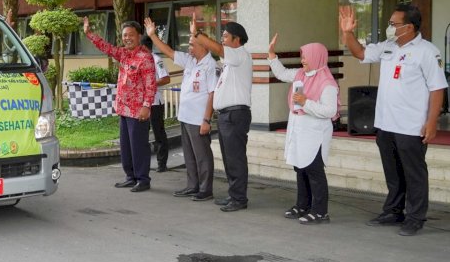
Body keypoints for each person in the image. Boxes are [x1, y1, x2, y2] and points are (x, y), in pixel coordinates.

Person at [340, 4, 447, 236]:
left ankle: (415, 217)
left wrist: (432, 122)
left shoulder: (428, 51)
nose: (389, 28)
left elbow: (437, 89)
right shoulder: (388, 47)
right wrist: (347, 33)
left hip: (411, 125)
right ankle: (393, 211)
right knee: (393, 171)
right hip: (386, 123)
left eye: (393, 24)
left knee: (414, 172)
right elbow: (360, 53)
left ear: (408, 27)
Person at [268, 34, 339, 224]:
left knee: (314, 171)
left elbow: (330, 110)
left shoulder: (327, 83)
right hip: (298, 130)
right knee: (300, 168)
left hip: (315, 133)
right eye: (302, 57)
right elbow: (282, 74)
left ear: (316, 57)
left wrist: (306, 103)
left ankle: (320, 211)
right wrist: (272, 55)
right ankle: (302, 205)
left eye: (306, 57)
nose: (303, 60)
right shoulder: (300, 74)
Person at [145, 17, 217, 201]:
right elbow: (168, 51)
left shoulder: (210, 65)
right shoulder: (190, 61)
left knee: (202, 155)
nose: (188, 48)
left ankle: (205, 189)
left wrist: (207, 120)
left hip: (199, 119)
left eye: (192, 44)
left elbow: (212, 94)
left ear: (203, 46)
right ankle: (192, 185)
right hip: (185, 117)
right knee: (189, 155)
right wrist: (153, 36)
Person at [84, 17, 157, 192]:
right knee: (126, 146)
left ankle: (143, 179)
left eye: (130, 35)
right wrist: (88, 33)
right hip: (123, 109)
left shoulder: (145, 58)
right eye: (124, 35)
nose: (127, 38)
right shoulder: (123, 54)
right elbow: (105, 47)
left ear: (138, 36)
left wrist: (147, 106)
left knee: (139, 146)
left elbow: (150, 84)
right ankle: (130, 176)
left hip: (138, 111)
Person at [192, 17, 253, 212]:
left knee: (235, 158)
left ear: (237, 40)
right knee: (229, 157)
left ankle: (239, 198)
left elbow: (217, 49)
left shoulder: (239, 54)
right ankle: (234, 195)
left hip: (236, 114)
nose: (222, 40)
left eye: (225, 36)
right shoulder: (230, 60)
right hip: (228, 115)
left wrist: (197, 34)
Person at [140, 35, 171, 172]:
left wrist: (150, 84)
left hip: (155, 103)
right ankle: (143, 164)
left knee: (158, 133)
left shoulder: (157, 60)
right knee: (142, 134)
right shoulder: (139, 60)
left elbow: (166, 79)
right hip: (142, 103)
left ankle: (162, 164)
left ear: (144, 47)